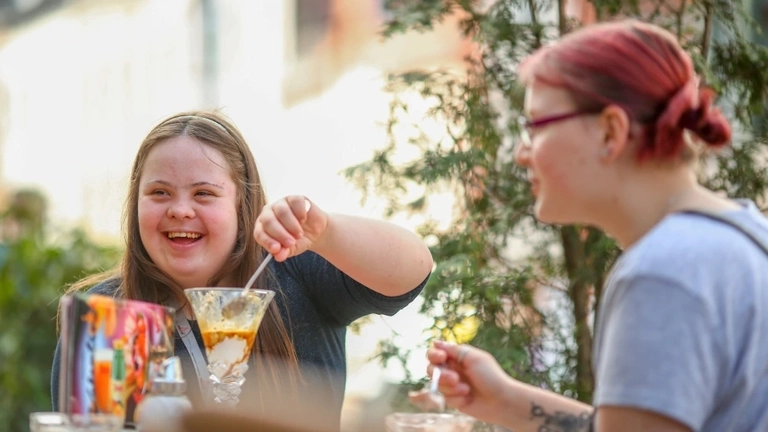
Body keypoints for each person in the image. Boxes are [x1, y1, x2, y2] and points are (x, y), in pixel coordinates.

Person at [422, 20, 768, 432]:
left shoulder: (663, 273)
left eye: (535, 125)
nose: (521, 153)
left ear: (611, 131)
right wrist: (508, 403)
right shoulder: (740, 236)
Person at [51, 111, 433, 430]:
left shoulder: (293, 272)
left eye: (204, 193)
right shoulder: (105, 317)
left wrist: (327, 232)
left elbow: (412, 273)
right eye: (159, 193)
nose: (180, 210)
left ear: (241, 206)